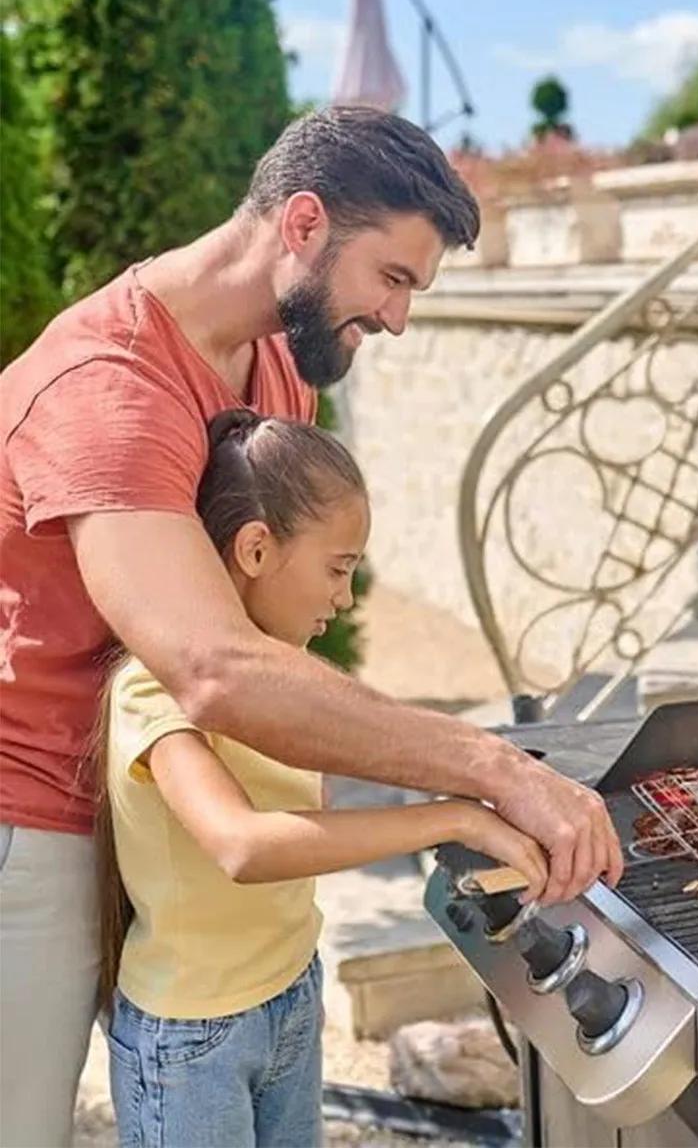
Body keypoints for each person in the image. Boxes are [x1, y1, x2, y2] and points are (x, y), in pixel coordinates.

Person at [0, 106, 622, 1148]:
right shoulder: (108, 388)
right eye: (392, 278)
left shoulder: (275, 370)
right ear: (300, 224)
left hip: (156, 809)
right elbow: (211, 664)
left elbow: (269, 612)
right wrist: (490, 769)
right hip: (35, 820)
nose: (398, 320)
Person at [98, 410, 549, 1147]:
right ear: (254, 549)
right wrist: (453, 819)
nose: (344, 598)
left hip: (290, 993)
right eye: (338, 568)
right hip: (191, 1038)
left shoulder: (289, 682)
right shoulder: (153, 687)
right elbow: (244, 846)